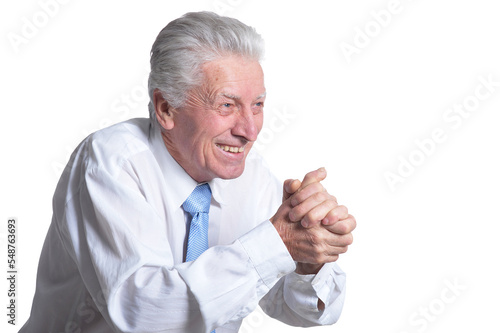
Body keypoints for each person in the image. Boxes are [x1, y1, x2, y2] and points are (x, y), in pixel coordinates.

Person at [20, 11, 356, 333]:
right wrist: (278, 241)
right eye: (227, 105)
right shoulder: (111, 162)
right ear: (166, 108)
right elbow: (144, 312)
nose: (250, 130)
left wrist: (306, 261)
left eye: (258, 105)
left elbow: (293, 305)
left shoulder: (252, 176)